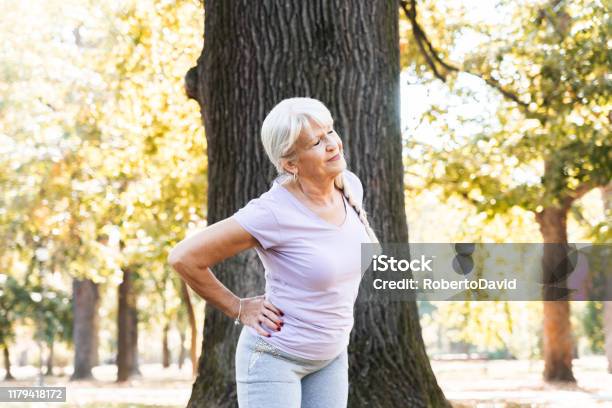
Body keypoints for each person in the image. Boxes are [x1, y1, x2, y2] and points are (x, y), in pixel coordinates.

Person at [168, 97, 378, 407]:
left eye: (330, 132)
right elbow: (184, 258)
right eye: (317, 142)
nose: (332, 144)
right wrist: (238, 308)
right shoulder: (272, 212)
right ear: (291, 163)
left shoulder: (349, 187)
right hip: (275, 357)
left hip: (331, 357)